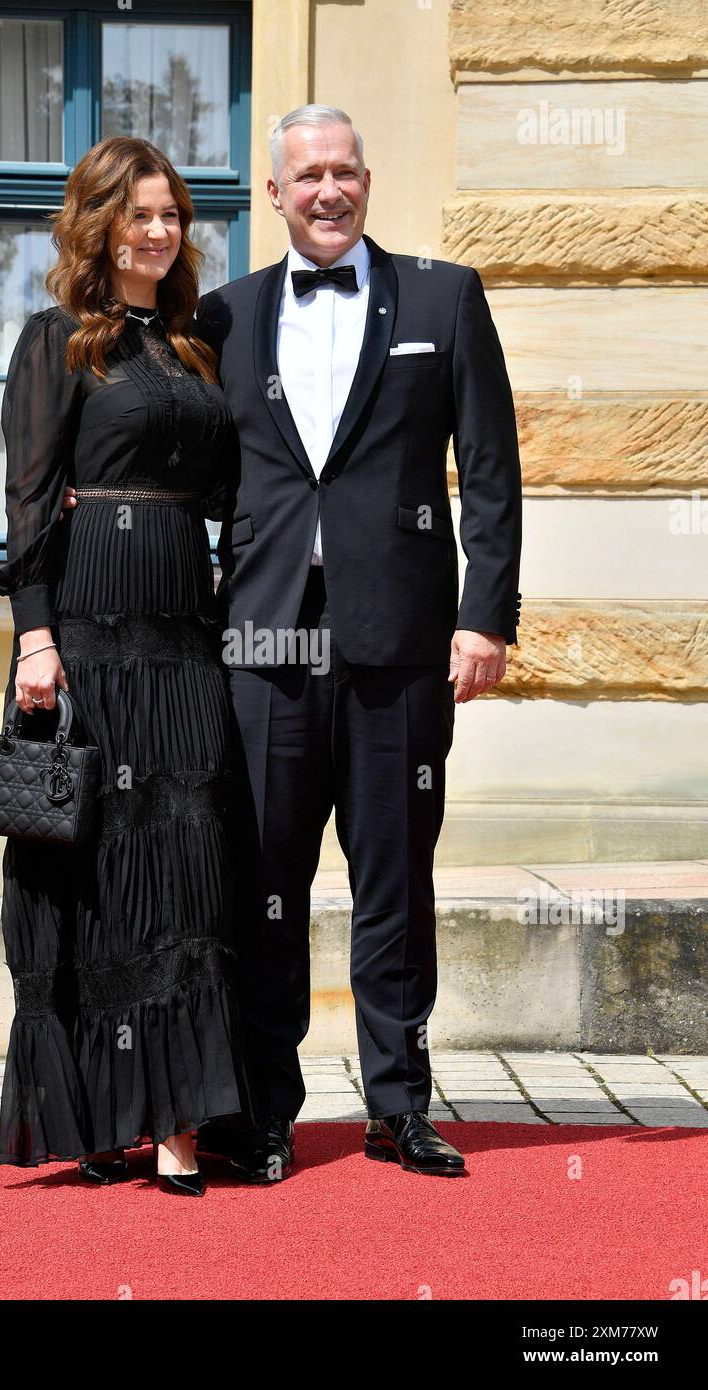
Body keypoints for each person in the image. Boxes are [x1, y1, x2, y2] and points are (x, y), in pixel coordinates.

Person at [189, 105, 523, 1181]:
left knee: (396, 884)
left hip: (400, 644)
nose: (327, 190)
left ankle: (396, 1105)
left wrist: (486, 616)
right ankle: (265, 1111)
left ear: (366, 183)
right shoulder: (224, 317)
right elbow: (190, 476)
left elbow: (491, 468)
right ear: (276, 195)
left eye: (344, 171)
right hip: (265, 642)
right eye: (306, 175)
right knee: (265, 886)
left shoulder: (444, 296)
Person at [0, 134, 255, 1194]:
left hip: (184, 642)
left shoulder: (196, 345)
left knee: (187, 864)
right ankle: (106, 1115)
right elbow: (23, 504)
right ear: (97, 223)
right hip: (90, 633)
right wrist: (36, 638)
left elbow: (237, 495)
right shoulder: (56, 341)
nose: (159, 232)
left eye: (172, 214)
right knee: (100, 871)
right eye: (139, 213)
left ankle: (179, 1117)